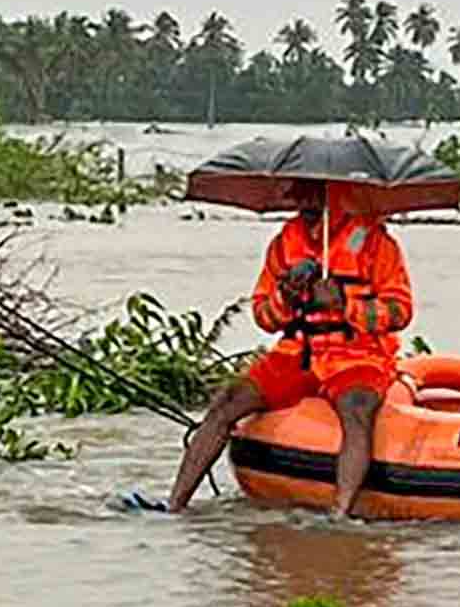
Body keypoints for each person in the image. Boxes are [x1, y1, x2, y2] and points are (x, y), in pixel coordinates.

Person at [168, 180, 412, 516]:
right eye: (301, 192)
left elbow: (400, 311)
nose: (305, 200)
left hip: (357, 355)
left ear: (336, 195)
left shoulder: (375, 243)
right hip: (297, 353)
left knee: (358, 410)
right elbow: (263, 315)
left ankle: (340, 514)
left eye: (315, 193)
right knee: (227, 400)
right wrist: (286, 296)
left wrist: (345, 304)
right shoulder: (284, 244)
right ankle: (175, 504)